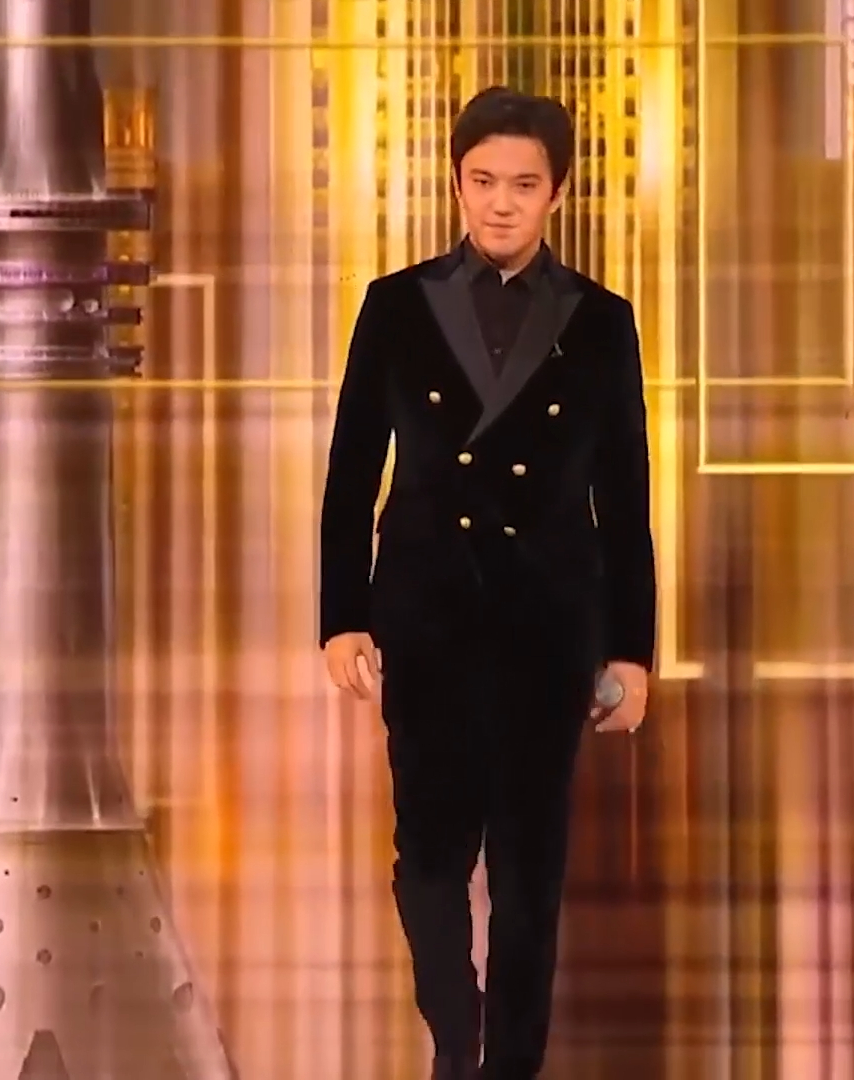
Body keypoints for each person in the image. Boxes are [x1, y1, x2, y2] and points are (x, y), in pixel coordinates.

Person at [317, 86, 656, 1080]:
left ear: (558, 192)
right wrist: (342, 618)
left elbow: (625, 499)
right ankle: (454, 1028)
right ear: (456, 183)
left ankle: (507, 1066)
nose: (501, 202)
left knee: (528, 877)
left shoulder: (602, 322)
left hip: (548, 627)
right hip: (426, 617)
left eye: (523, 184)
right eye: (483, 181)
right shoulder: (395, 305)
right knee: (426, 863)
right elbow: (350, 474)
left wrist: (632, 652)